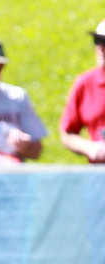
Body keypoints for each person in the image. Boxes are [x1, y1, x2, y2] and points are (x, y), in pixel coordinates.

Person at [59, 20, 105, 163]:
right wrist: (92, 149)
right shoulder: (85, 83)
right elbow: (67, 133)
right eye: (98, 41)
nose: (101, 48)